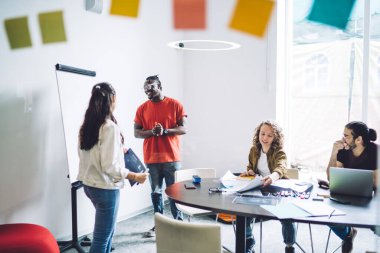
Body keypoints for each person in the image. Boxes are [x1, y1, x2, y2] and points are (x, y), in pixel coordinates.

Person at [77, 82, 148, 253]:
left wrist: (117, 150)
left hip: (90, 186)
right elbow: (110, 167)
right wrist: (134, 176)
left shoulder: (86, 125)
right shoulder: (109, 127)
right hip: (105, 189)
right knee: (102, 238)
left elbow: (84, 155)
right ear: (112, 99)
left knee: (107, 233)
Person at [134, 75, 187, 238]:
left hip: (172, 158)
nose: (147, 90)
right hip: (152, 159)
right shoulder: (142, 108)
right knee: (156, 193)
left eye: (151, 86)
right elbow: (136, 133)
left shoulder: (175, 104)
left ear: (160, 86)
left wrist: (165, 131)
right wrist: (152, 132)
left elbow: (183, 129)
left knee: (174, 192)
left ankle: (178, 223)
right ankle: (160, 225)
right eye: (145, 88)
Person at [240, 120, 297, 253]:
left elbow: (281, 167)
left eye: (269, 135)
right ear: (258, 134)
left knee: (287, 216)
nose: (264, 138)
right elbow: (250, 165)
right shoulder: (254, 150)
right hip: (259, 188)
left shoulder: (279, 152)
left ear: (275, 137)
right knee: (243, 210)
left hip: (276, 188)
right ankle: (248, 240)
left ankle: (289, 246)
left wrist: (272, 177)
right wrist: (250, 171)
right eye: (262, 133)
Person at [326, 121, 378, 253]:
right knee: (327, 216)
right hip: (349, 195)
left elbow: (377, 183)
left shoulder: (375, 151)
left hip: (374, 197)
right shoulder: (344, 151)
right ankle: (348, 234)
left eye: (346, 136)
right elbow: (332, 179)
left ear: (359, 139)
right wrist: (334, 152)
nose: (343, 139)